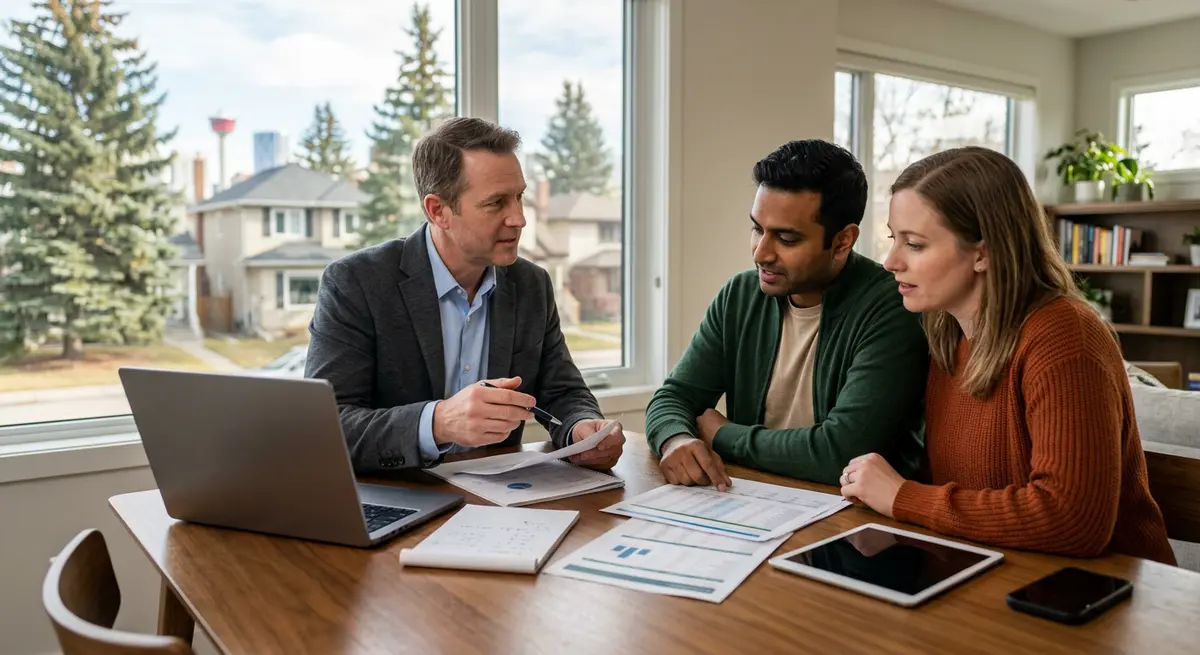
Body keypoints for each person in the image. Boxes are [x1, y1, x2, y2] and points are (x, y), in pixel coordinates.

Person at [840, 146, 1175, 565]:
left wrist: (903, 497)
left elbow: (1073, 520)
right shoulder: (947, 332)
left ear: (983, 252)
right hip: (998, 572)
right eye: (894, 239)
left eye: (915, 244)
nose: (890, 261)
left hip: (1107, 596)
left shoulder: (1066, 336)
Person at [305, 117, 625, 473]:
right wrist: (439, 422)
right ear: (438, 210)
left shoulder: (531, 285)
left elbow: (563, 392)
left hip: (501, 504)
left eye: (519, 197)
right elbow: (325, 428)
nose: (519, 218)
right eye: (496, 203)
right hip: (396, 499)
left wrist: (583, 429)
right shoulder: (356, 283)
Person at [644, 139, 928, 489]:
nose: (761, 253)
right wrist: (676, 439)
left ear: (842, 241)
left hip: (851, 529)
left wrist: (722, 435)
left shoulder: (891, 306)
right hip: (754, 505)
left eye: (786, 239)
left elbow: (839, 454)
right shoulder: (740, 295)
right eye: (757, 229)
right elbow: (673, 397)